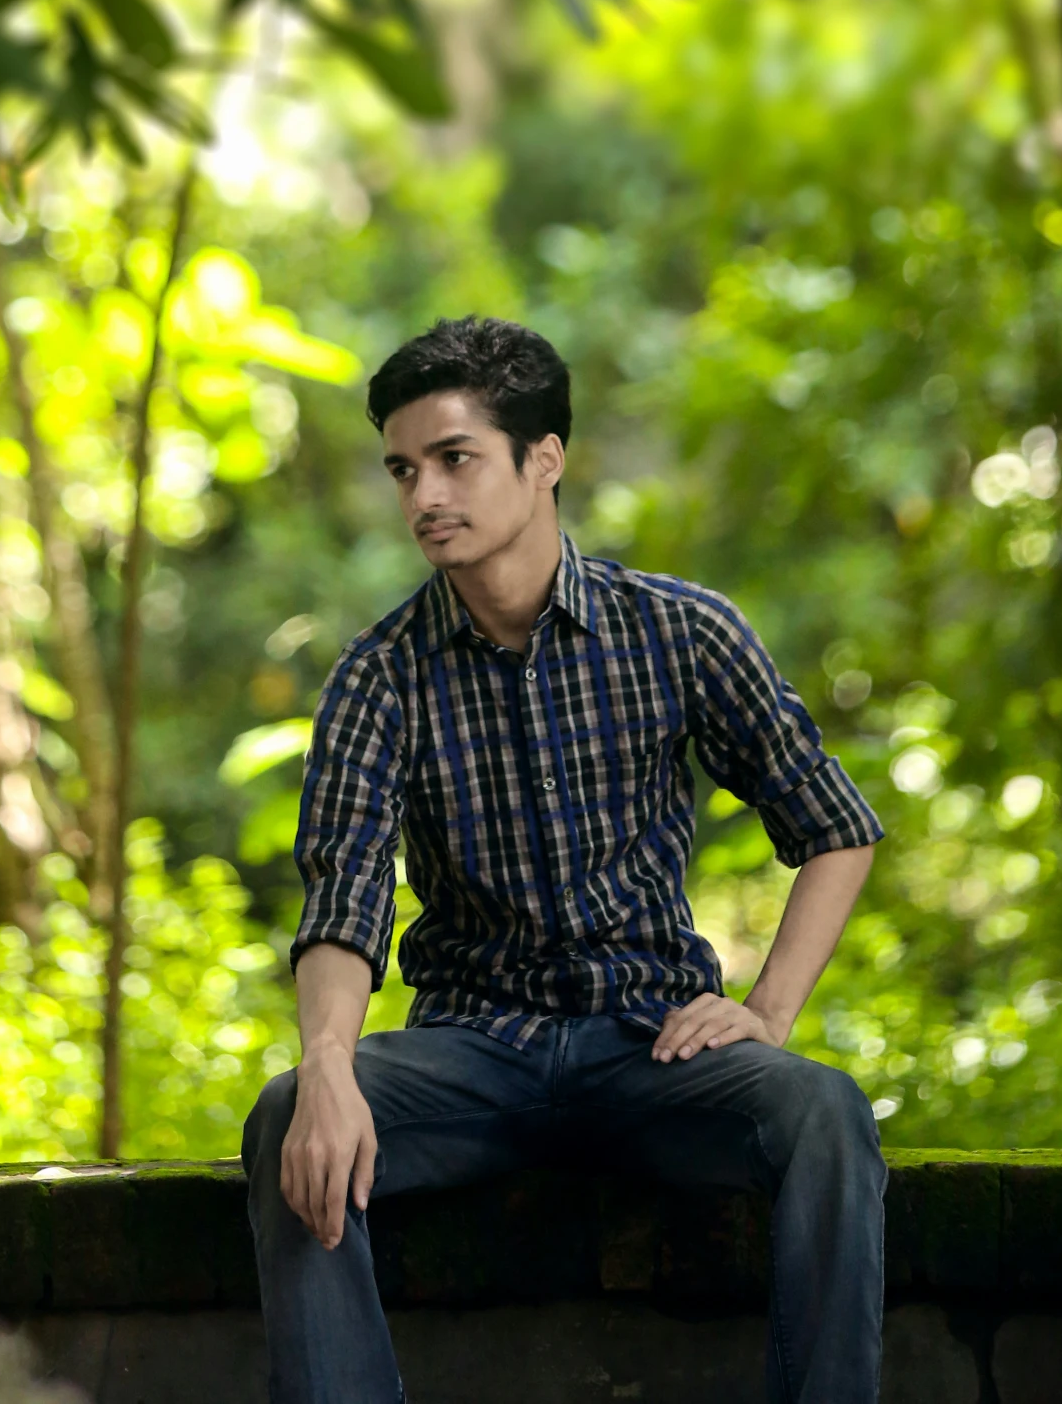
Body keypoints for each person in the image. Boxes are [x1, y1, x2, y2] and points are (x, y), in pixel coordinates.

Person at [242, 315, 886, 1404]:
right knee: (287, 1116)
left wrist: (768, 1010)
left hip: (652, 1048)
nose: (422, 497)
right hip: (471, 1057)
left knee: (824, 1111)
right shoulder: (379, 676)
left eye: (454, 458)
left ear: (544, 459)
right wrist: (328, 1066)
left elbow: (834, 824)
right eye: (404, 469)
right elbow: (343, 901)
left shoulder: (678, 631)